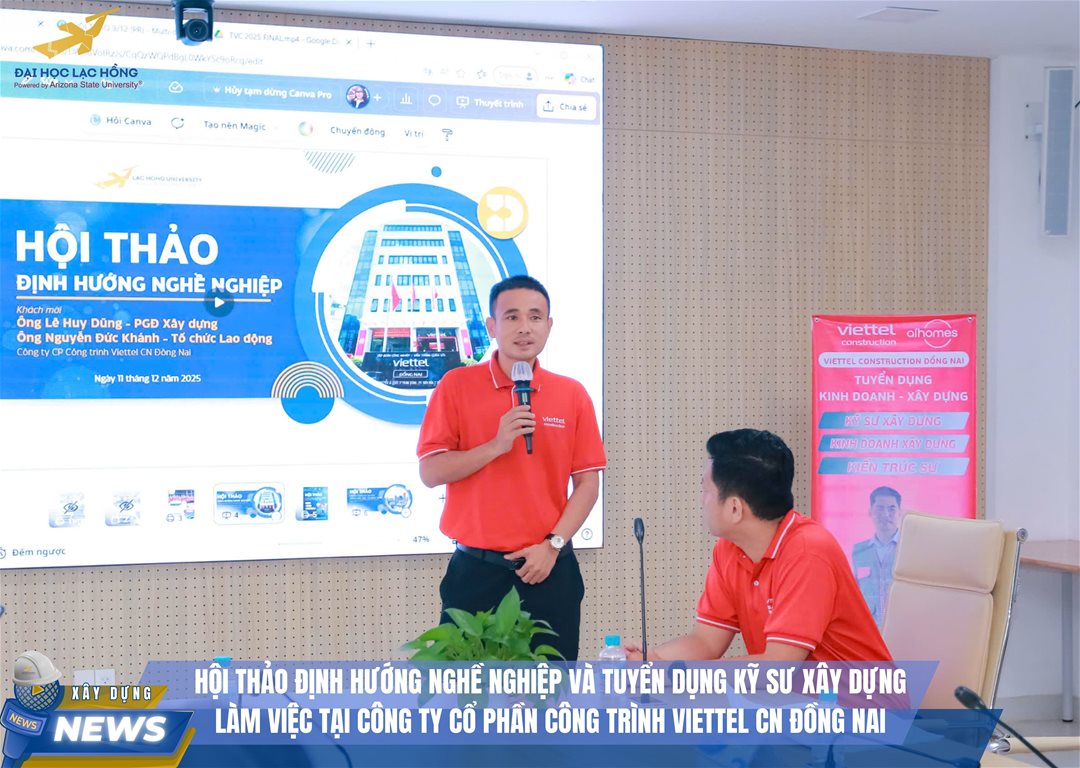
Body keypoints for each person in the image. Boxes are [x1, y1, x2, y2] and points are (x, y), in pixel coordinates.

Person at [416, 275, 605, 660]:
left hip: (548, 569)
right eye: (512, 316)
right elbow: (431, 472)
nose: (524, 328)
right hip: (477, 572)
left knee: (551, 689)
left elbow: (587, 484)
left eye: (535, 317)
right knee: (467, 690)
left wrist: (552, 546)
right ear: (491, 326)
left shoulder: (571, 394)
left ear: (548, 326)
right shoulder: (456, 386)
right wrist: (496, 446)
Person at [626, 429, 891, 662]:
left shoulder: (808, 552)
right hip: (795, 699)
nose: (701, 501)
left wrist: (679, 673)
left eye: (705, 490)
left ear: (734, 508)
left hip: (858, 701)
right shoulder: (729, 549)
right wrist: (653, 661)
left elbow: (777, 666)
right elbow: (705, 641)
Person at [851, 486, 902, 628]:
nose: (885, 514)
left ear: (899, 512)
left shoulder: (909, 548)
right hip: (868, 629)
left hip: (902, 627)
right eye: (880, 508)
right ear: (870, 512)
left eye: (891, 509)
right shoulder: (858, 552)